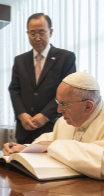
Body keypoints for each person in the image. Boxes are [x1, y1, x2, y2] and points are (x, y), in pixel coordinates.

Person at [3, 72, 104, 186]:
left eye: (64, 104)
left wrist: (54, 146)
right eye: (57, 102)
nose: (59, 110)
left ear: (88, 106)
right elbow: (49, 140)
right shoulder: (65, 121)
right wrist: (25, 148)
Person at [9, 13, 76, 144]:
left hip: (52, 127)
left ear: (50, 32)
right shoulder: (20, 60)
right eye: (32, 33)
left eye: (42, 32)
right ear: (27, 33)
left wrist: (46, 115)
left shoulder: (65, 57)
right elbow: (14, 89)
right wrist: (21, 114)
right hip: (25, 128)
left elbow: (68, 92)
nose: (37, 38)